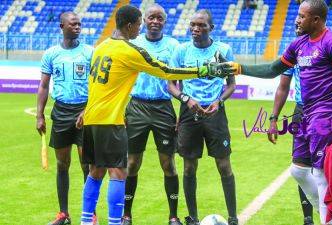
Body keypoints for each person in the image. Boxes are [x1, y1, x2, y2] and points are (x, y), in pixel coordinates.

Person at [79, 5, 234, 225]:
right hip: (111, 120)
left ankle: (86, 221)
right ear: (130, 25)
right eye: (140, 23)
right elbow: (166, 71)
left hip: (93, 118)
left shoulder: (100, 47)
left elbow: (94, 84)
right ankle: (115, 222)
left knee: (95, 172)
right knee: (119, 173)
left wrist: (86, 110)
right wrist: (204, 70)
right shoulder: (129, 50)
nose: (141, 28)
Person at [222, 0, 332, 224]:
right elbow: (273, 69)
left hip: (327, 115)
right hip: (304, 113)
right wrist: (239, 68)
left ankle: (327, 221)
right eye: (297, 15)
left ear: (316, 19)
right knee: (298, 171)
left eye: (301, 16)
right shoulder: (298, 45)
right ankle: (329, 219)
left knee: (321, 174)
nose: (296, 19)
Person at [268, 25, 332, 225]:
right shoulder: (293, 52)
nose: (297, 24)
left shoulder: (329, 46)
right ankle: (309, 218)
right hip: (301, 110)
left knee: (329, 170)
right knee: (302, 168)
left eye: (301, 19)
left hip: (326, 112)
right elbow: (283, 87)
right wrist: (274, 118)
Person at [168, 9, 238, 225]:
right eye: (193, 25)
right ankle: (193, 218)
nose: (196, 29)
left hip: (215, 113)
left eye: (201, 26)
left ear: (211, 28)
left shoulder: (223, 50)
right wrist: (186, 99)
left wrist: (219, 101)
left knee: (224, 165)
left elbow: (231, 84)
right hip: (189, 113)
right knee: (189, 166)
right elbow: (171, 84)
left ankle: (233, 218)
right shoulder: (181, 51)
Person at [121, 4, 183, 225]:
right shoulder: (133, 43)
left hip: (163, 108)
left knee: (168, 164)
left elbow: (179, 81)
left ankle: (173, 216)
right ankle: (126, 214)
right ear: (144, 20)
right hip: (136, 107)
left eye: (160, 18)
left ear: (165, 22)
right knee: (132, 163)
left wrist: (180, 110)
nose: (155, 21)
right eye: (151, 17)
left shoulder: (174, 46)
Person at [36, 12, 97, 225]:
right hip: (61, 112)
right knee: (62, 164)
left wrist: (88, 110)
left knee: (87, 165)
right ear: (62, 26)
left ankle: (90, 214)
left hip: (84, 111)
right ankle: (64, 214)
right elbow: (43, 86)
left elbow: (98, 86)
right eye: (73, 24)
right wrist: (39, 115)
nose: (77, 27)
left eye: (80, 24)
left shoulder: (90, 52)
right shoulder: (51, 54)